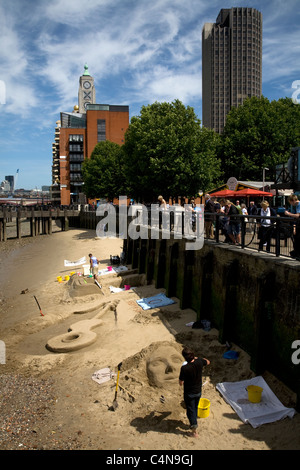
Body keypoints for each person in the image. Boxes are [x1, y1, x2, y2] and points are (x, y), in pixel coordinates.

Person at [179, 347, 210, 437]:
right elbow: (208, 362)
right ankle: (194, 421)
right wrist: (197, 358)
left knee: (190, 410)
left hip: (189, 393)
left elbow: (181, 382)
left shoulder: (184, 368)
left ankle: (194, 431)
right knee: (195, 407)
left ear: (185, 358)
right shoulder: (199, 362)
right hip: (198, 391)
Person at [284, 194, 300, 258]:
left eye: (290, 202)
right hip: (298, 225)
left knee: (298, 240)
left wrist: (288, 214)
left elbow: (298, 215)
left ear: (293, 200)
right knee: (296, 240)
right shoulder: (296, 206)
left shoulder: (299, 205)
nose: (290, 204)